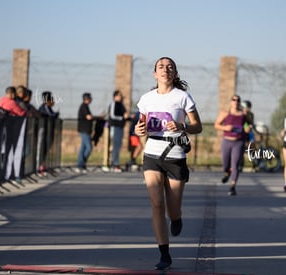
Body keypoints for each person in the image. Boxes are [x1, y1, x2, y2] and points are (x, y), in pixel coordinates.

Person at [134, 57, 202, 270]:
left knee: (172, 210)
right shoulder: (146, 98)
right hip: (152, 154)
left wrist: (182, 125)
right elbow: (141, 124)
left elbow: (197, 126)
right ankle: (164, 254)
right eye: (161, 67)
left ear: (175, 73)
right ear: (155, 74)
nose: (166, 69)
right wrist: (138, 130)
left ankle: (177, 217)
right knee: (156, 204)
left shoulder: (182, 97)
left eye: (170, 67)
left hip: (175, 154)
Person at [214, 94, 248, 196]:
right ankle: (227, 172)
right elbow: (216, 125)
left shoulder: (244, 115)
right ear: (231, 102)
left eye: (238, 100)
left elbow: (248, 125)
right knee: (225, 163)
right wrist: (225, 128)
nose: (235, 101)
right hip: (227, 141)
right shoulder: (225, 113)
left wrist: (247, 128)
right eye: (233, 99)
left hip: (238, 142)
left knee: (235, 164)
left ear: (239, 102)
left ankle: (232, 187)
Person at [105, 90, 129, 172]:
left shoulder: (121, 104)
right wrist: (122, 117)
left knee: (118, 146)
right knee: (115, 146)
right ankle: (115, 164)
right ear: (115, 96)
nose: (121, 97)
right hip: (115, 127)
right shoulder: (113, 103)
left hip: (120, 127)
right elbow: (112, 115)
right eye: (119, 95)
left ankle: (115, 163)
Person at [76, 92, 94, 173]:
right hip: (84, 130)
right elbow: (88, 117)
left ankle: (81, 165)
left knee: (83, 148)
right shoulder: (83, 106)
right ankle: (81, 164)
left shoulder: (86, 107)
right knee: (89, 148)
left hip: (86, 130)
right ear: (86, 99)